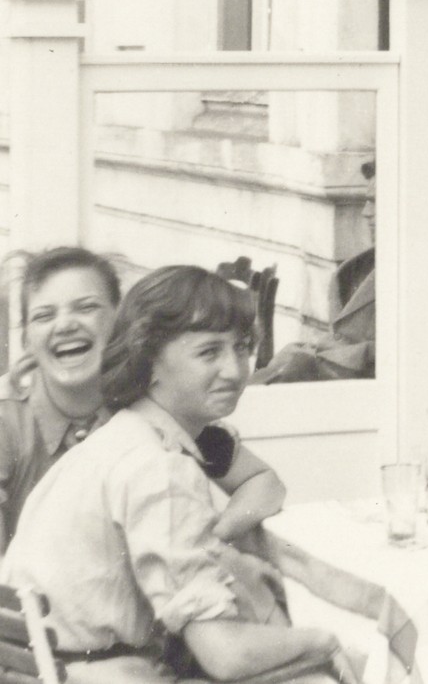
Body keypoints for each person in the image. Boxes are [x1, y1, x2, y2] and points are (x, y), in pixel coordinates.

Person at [1, 265, 347, 684]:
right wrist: (325, 641)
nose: (235, 370)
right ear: (149, 361)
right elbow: (225, 655)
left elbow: (263, 482)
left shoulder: (122, 435)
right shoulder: (159, 466)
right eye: (209, 352)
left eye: (241, 348)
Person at [0, 247, 285, 554]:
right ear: (26, 339)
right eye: (44, 315)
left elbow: (262, 481)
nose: (66, 324)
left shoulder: (152, 403)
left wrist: (214, 538)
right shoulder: (6, 422)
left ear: (122, 322)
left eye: (86, 307)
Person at [253, 161, 377, 383]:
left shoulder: (426, 274)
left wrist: (315, 358)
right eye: (367, 201)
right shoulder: (354, 269)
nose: (366, 212)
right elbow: (338, 337)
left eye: (376, 202)